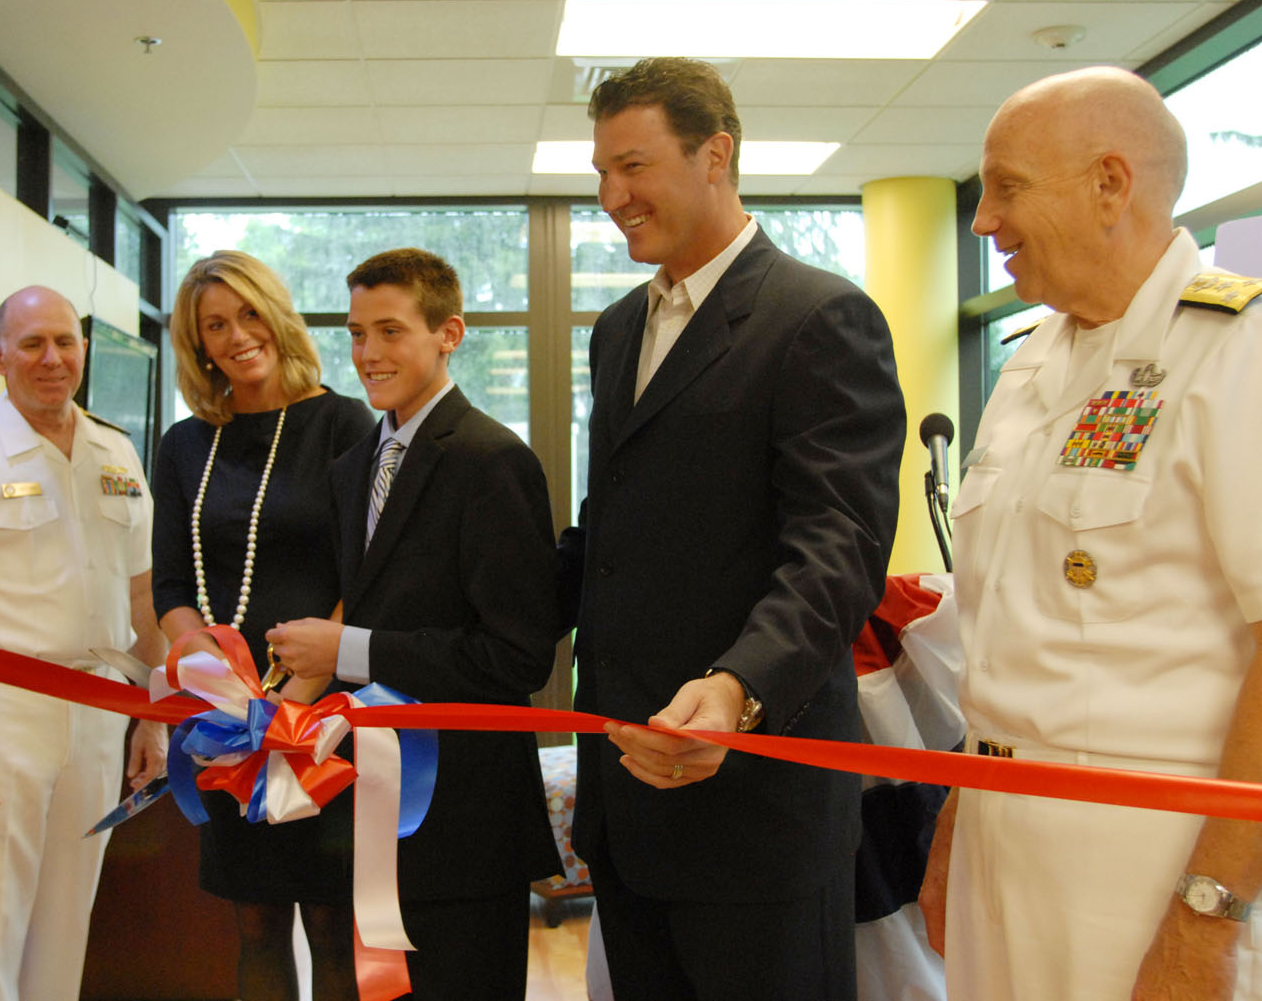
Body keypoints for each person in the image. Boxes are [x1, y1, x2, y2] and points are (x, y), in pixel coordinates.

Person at [558, 57, 906, 999]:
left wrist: (740, 688)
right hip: (630, 800)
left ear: (717, 154)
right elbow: (612, 534)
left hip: (755, 809)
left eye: (633, 166)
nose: (611, 196)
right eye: (600, 172)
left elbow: (838, 545)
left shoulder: (818, 316)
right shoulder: (619, 329)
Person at [918, 66, 1262, 1000]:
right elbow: (1006, 633)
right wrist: (957, 817)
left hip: (1149, 860)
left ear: (1111, 184)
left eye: (1008, 186)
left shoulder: (1238, 350)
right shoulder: (1033, 362)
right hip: (1003, 833)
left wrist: (1211, 910)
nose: (984, 221)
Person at [266, 247, 561, 1000]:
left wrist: (349, 651)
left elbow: (518, 656)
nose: (367, 354)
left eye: (390, 331)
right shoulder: (354, 464)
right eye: (357, 333)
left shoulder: (493, 460)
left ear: (449, 333)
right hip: (370, 807)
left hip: (466, 819)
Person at [0, 286, 169, 1001]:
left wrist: (151, 712)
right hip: (1, 716)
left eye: (65, 342)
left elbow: (142, 601)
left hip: (103, 711)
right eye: (32, 345)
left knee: (66, 929)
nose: (53, 359)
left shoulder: (116, 450)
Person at [151, 251, 374, 1001]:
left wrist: (298, 701)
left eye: (248, 313)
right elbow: (172, 587)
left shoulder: (344, 423)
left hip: (324, 721)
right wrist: (226, 695)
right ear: (197, 343)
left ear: (276, 315)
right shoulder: (185, 445)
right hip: (228, 726)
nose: (236, 335)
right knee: (254, 927)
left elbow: (367, 578)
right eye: (215, 324)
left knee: (333, 931)